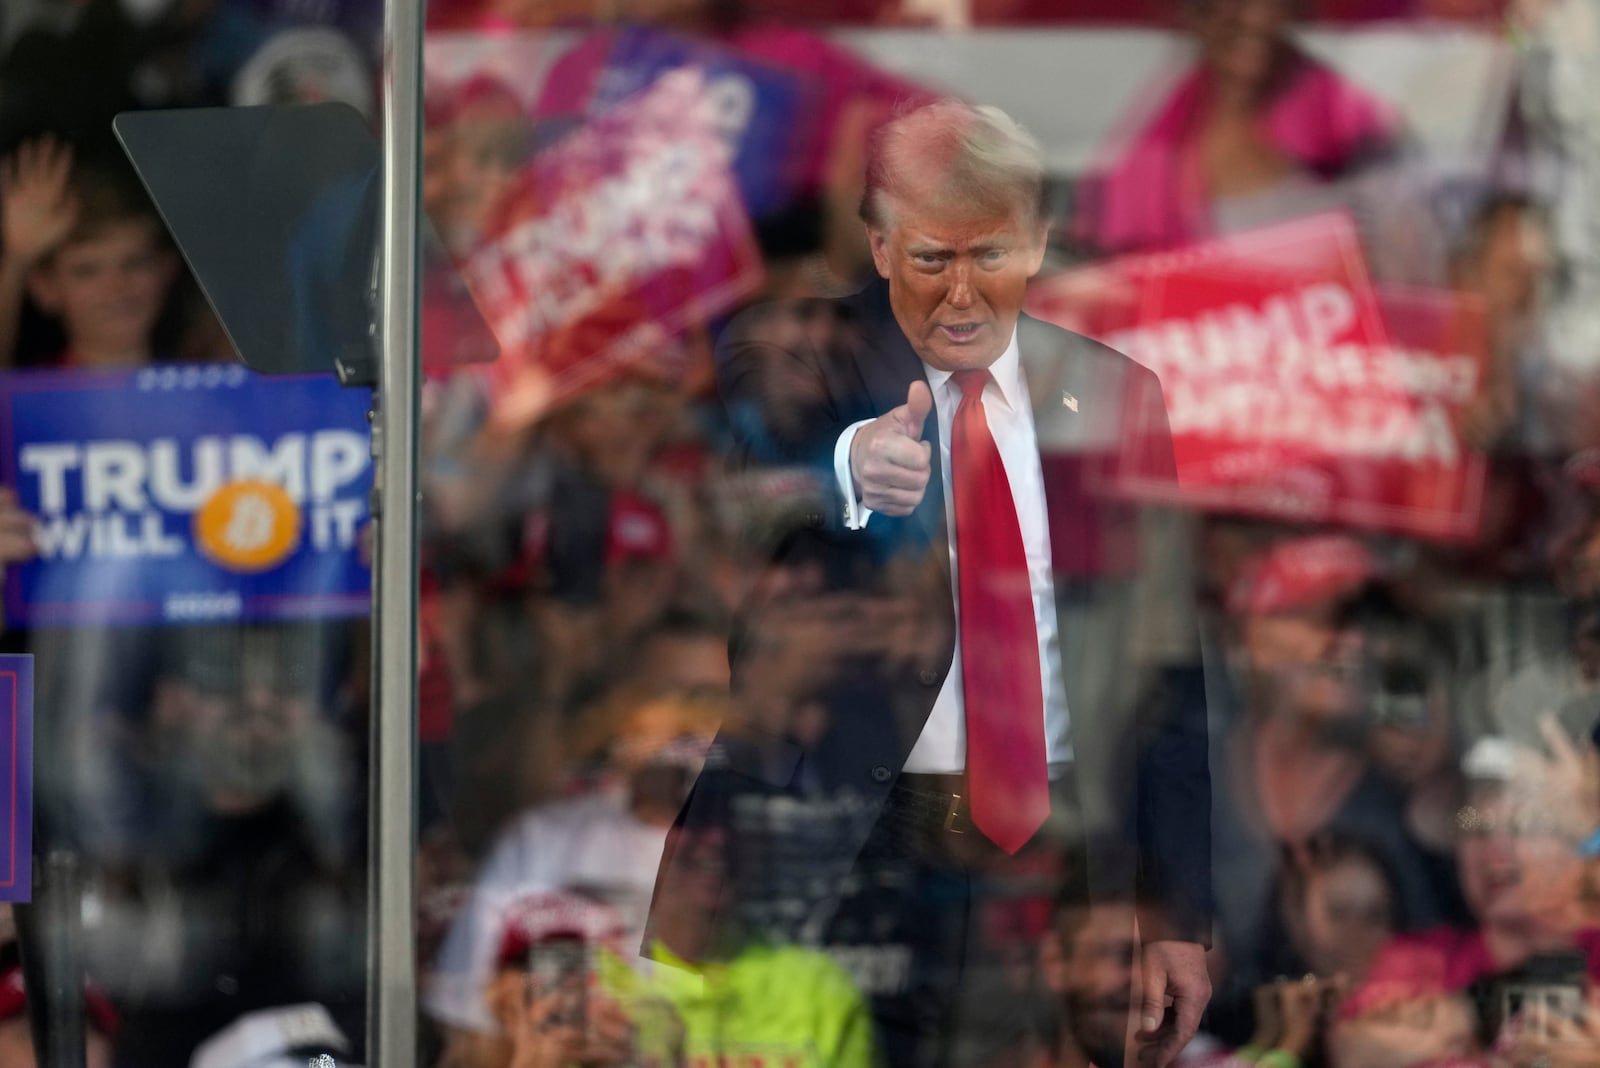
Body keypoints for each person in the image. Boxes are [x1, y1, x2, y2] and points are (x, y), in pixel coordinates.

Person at [651, 99, 1212, 1067]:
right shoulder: (804, 352)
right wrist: (848, 466)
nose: (960, 294)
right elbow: (748, 457)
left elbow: (1164, 678)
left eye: (988, 256)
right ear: (877, 247)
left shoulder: (1116, 397)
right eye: (929, 260)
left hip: (1058, 858)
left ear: (1037, 242)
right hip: (852, 840)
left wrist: (1176, 910)